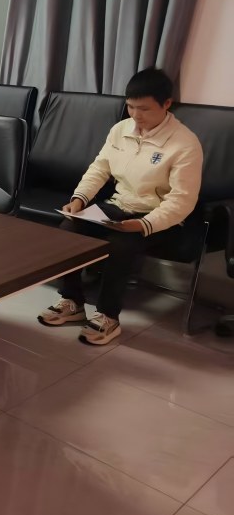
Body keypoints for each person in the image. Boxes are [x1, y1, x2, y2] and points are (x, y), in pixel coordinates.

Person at [39, 67, 203, 346]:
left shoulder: (185, 143)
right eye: (130, 106)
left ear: (166, 104)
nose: (136, 115)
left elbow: (182, 200)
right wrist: (79, 199)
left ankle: (107, 315)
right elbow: (99, 169)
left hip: (159, 217)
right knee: (68, 230)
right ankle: (72, 302)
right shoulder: (121, 129)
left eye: (144, 109)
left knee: (121, 244)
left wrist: (142, 224)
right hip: (119, 205)